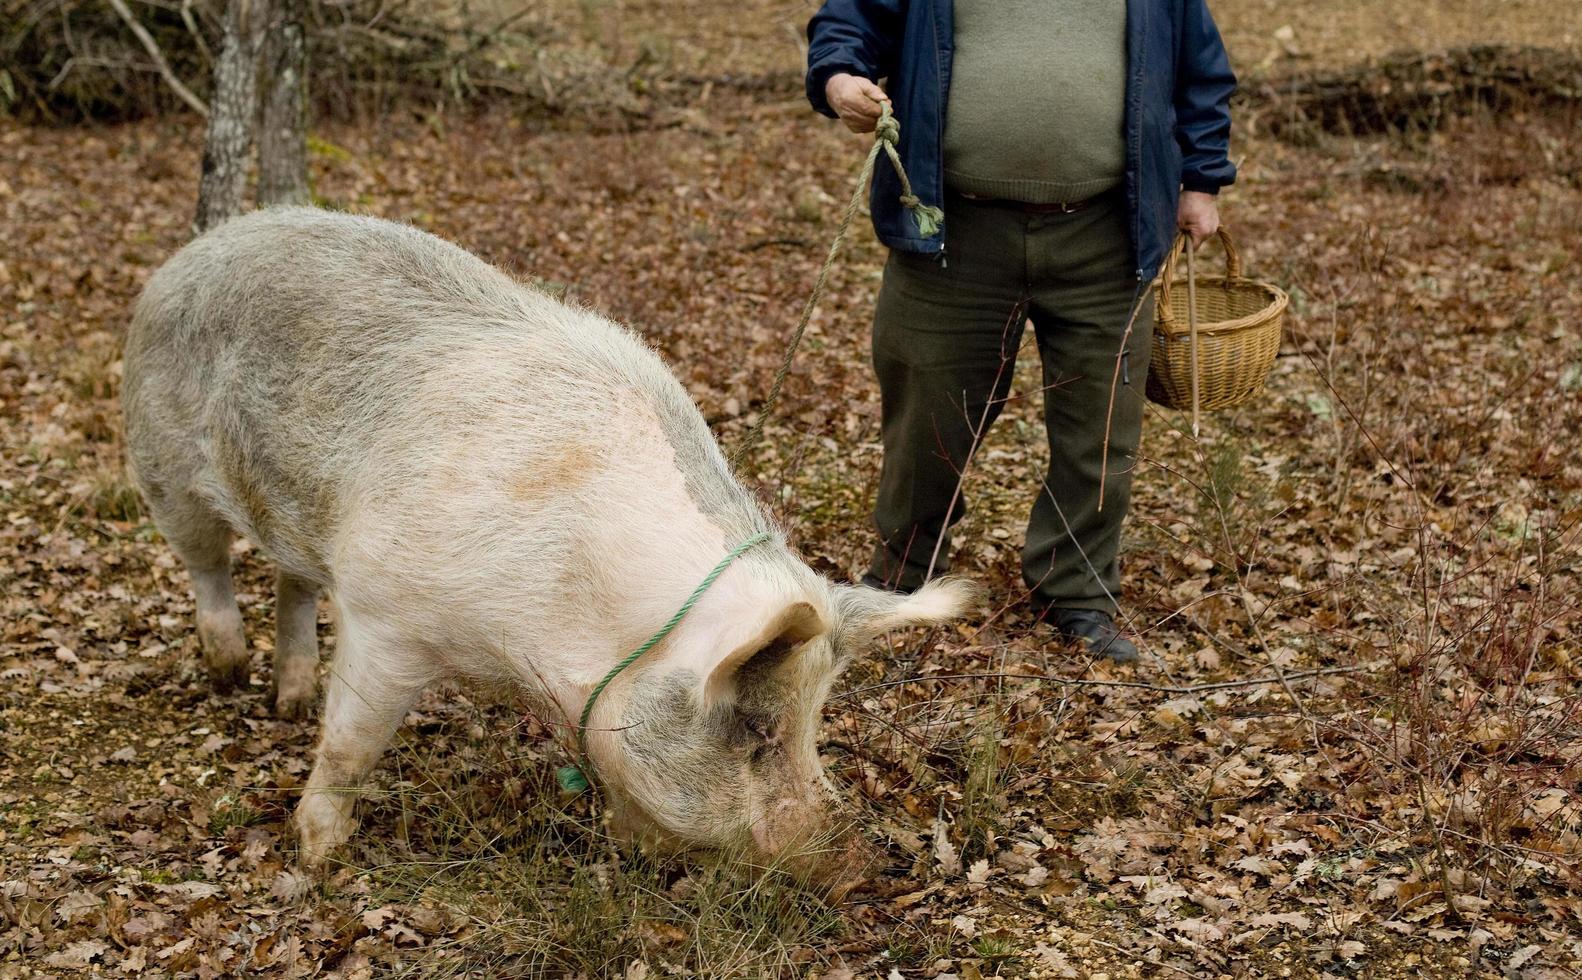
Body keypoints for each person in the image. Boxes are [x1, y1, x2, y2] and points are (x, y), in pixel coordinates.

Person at [806, 0, 1237, 662]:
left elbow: (1201, 71)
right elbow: (850, 21)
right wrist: (839, 80)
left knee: (1100, 427)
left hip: (1107, 231)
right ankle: (901, 581)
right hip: (951, 228)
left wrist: (1201, 180)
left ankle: (1078, 593)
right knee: (927, 414)